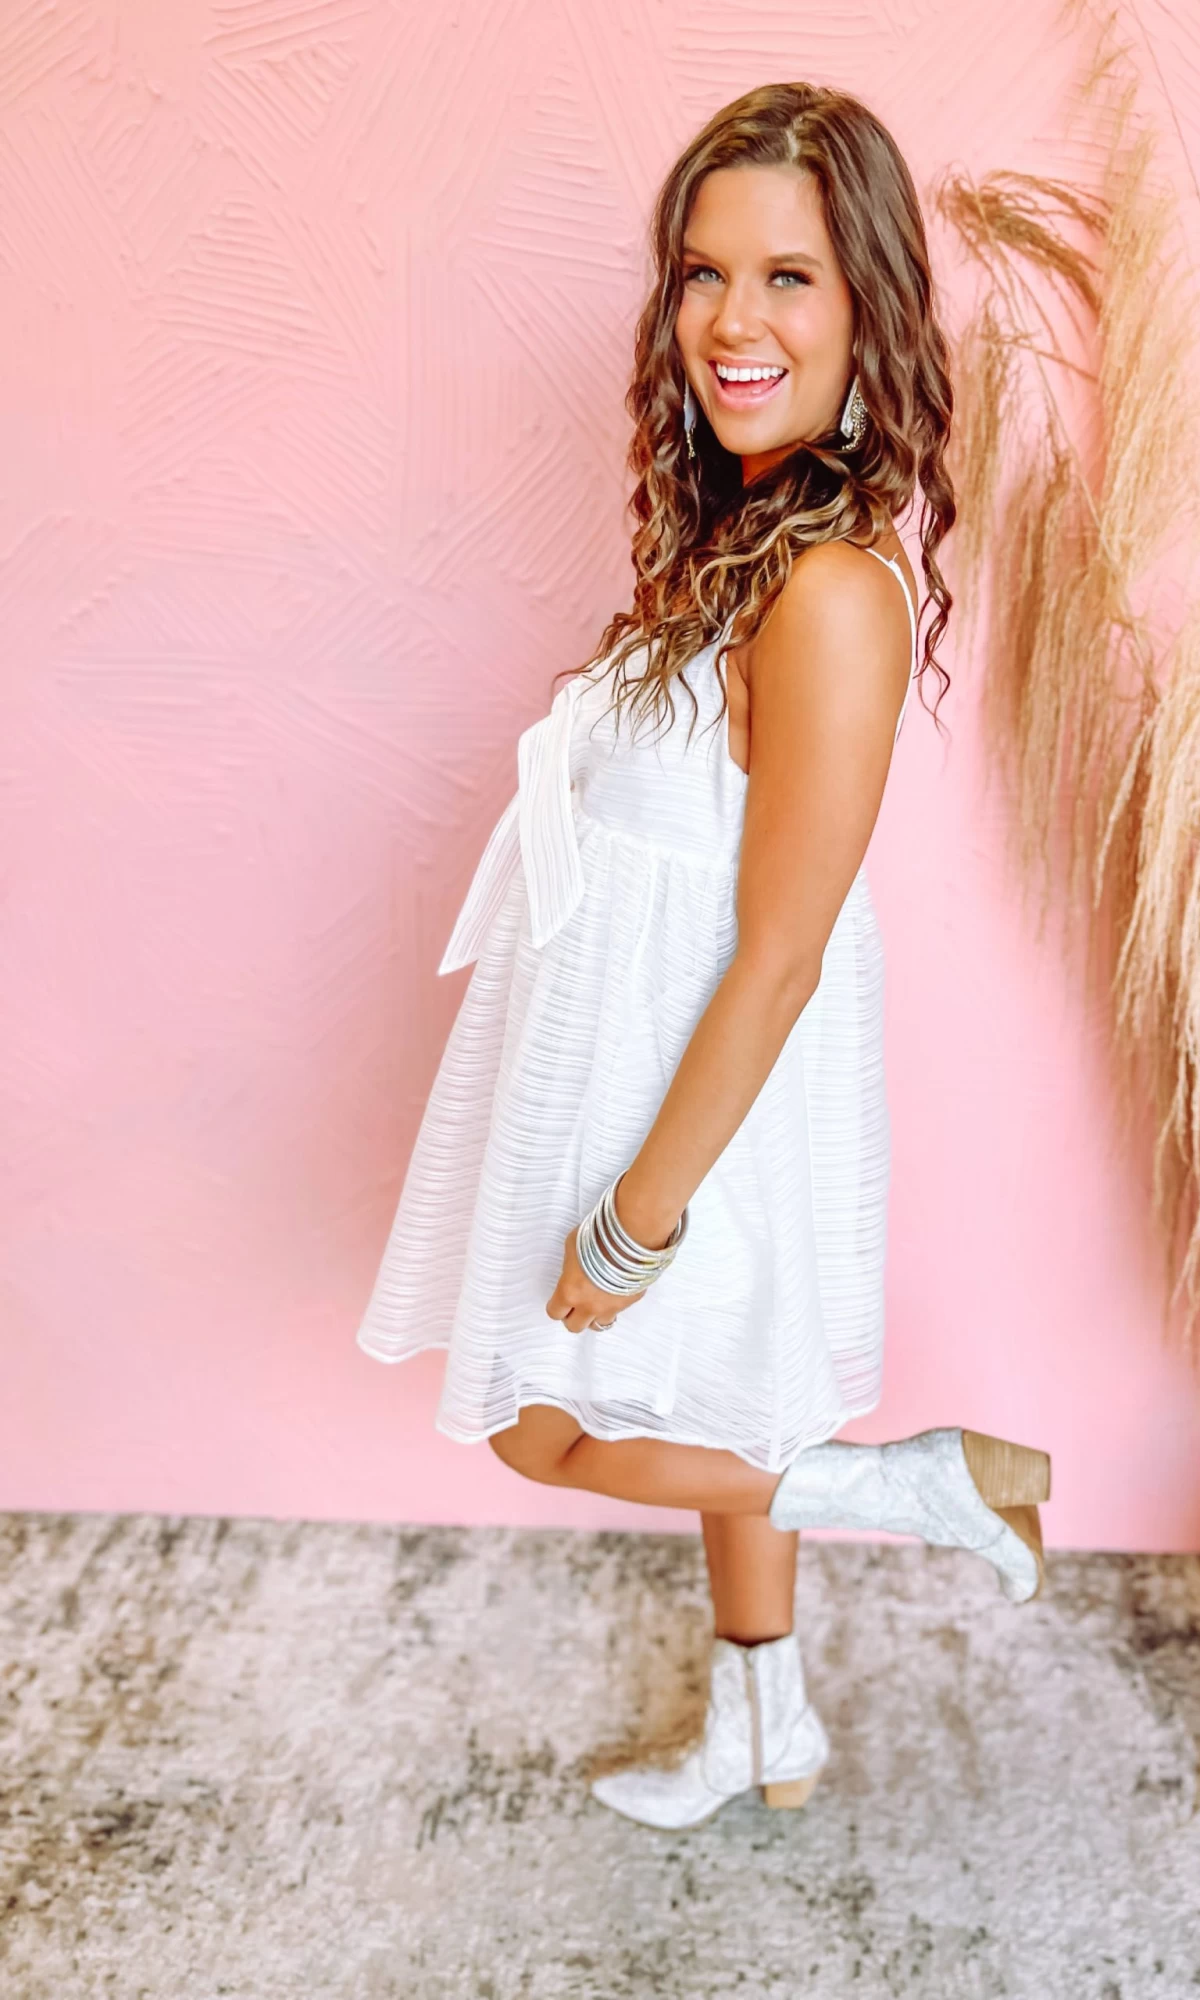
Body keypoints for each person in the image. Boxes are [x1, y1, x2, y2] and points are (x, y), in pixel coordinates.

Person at [356, 81, 1050, 1832]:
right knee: (725, 1412)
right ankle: (766, 1726)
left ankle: (916, 1490)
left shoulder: (832, 595)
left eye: (789, 276)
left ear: (870, 309)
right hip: (654, 1060)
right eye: (703, 273)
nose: (733, 320)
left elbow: (785, 954)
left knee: (538, 1421)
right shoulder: (744, 537)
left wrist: (635, 1215)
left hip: (710, 1104)